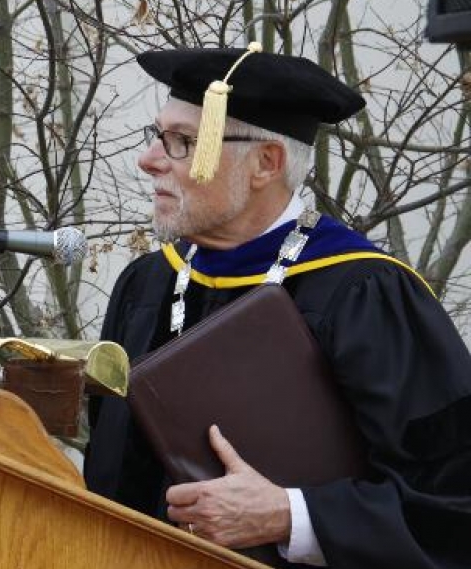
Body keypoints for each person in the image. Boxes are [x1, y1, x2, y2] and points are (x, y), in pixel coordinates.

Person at [85, 45, 471, 568]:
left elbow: (453, 505)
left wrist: (293, 515)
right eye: (157, 136)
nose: (149, 159)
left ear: (267, 163)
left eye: (183, 143)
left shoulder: (365, 293)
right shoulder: (148, 284)